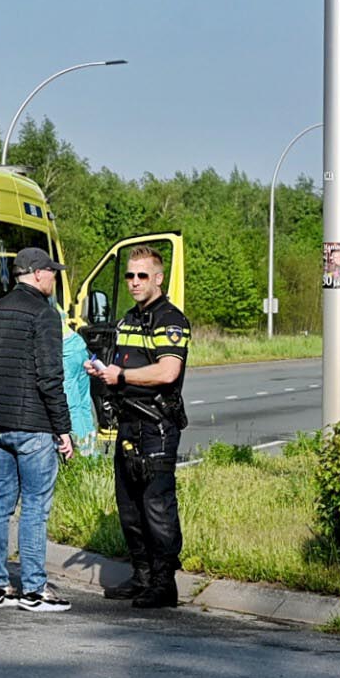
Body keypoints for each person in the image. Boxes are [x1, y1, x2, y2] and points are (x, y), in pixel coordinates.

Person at [0, 246, 74, 612]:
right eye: (52, 272)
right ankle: (35, 590)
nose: (55, 278)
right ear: (38, 274)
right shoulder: (44, 313)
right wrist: (63, 429)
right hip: (32, 425)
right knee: (36, 508)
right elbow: (50, 377)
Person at [85, 244, 191, 609]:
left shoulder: (170, 320)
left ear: (158, 278)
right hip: (128, 424)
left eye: (141, 275)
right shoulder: (129, 319)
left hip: (156, 426)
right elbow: (118, 365)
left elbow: (168, 370)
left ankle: (164, 584)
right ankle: (142, 576)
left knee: (156, 507)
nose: (133, 282)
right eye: (130, 275)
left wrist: (123, 374)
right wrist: (102, 369)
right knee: (129, 506)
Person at [60, 317, 100, 456]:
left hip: (66, 353)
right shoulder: (52, 305)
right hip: (79, 347)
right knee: (84, 405)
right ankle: (92, 453)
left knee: (73, 407)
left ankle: (81, 454)